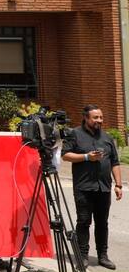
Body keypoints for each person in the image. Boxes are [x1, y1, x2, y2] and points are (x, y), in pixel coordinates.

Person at [62, 104, 123, 270]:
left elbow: (115, 163)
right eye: (95, 118)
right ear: (86, 118)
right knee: (84, 221)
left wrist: (118, 184)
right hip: (83, 188)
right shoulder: (75, 134)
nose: (99, 121)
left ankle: (103, 256)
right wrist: (87, 157)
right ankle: (82, 256)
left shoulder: (107, 138)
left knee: (102, 223)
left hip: (103, 188)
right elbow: (65, 155)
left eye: (101, 118)